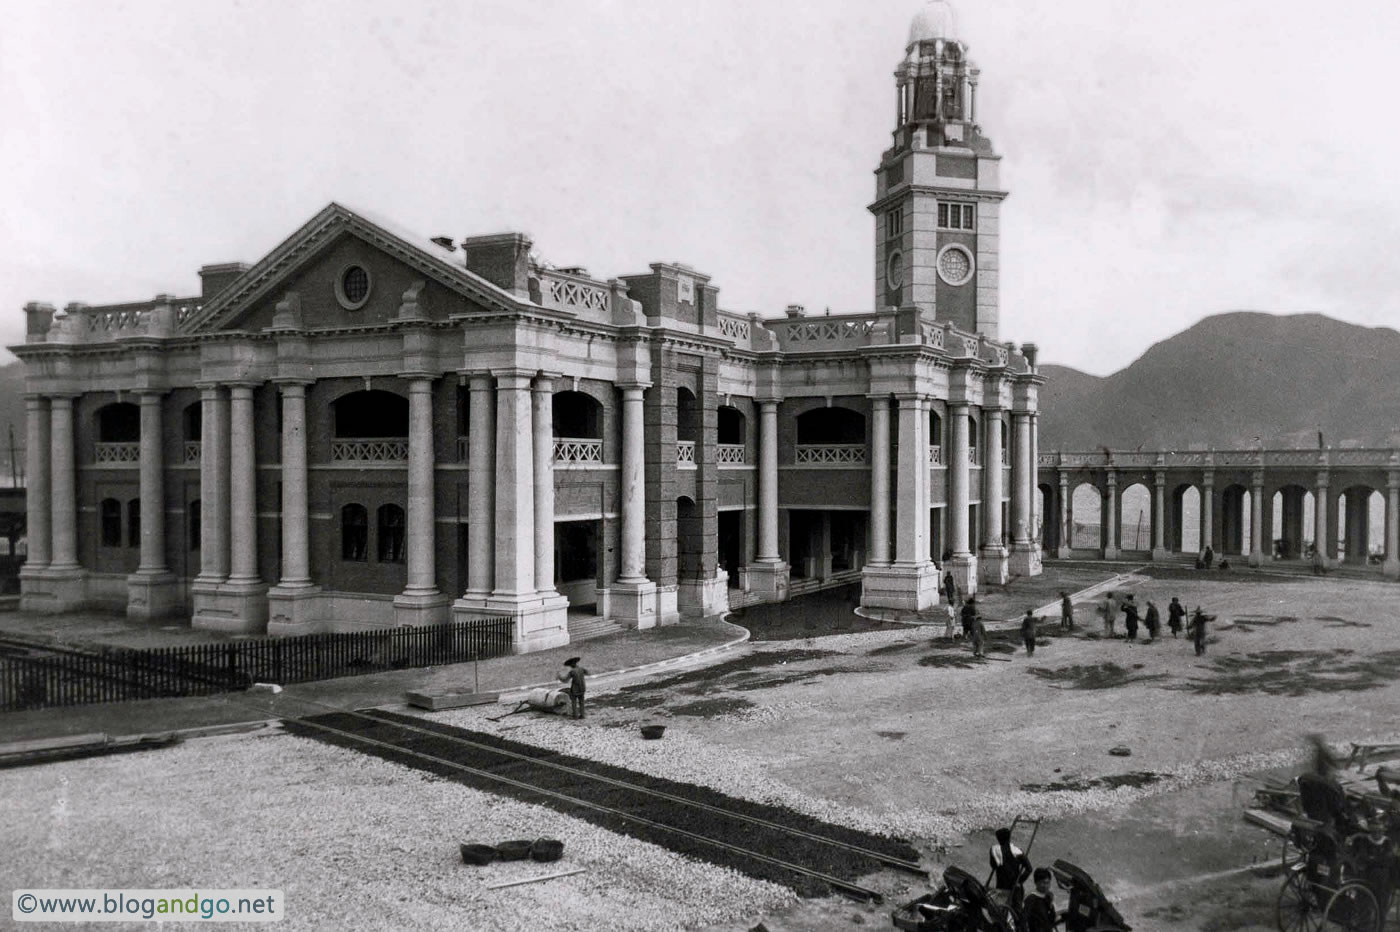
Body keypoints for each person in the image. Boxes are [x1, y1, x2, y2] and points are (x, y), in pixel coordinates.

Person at [988, 827, 1033, 912]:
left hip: (1002, 886)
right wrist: (1019, 881)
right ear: (1009, 838)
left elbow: (993, 865)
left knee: (1000, 912)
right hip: (1015, 887)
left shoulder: (994, 850)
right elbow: (1029, 869)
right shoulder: (1018, 851)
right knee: (1017, 912)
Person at [1022, 867, 1060, 932]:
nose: (1045, 886)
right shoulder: (1031, 899)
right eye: (1043, 883)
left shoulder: (1048, 898)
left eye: (1047, 883)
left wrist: (1051, 906)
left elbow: (1052, 919)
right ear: (1036, 883)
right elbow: (1023, 920)